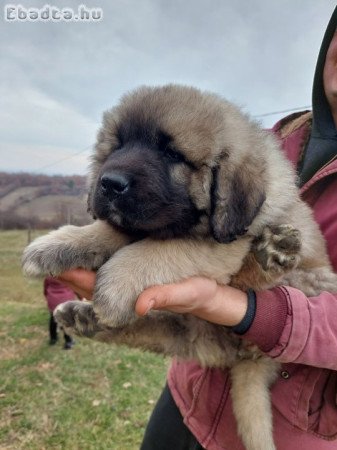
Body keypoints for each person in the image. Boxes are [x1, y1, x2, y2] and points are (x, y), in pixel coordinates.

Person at [58, 8, 337, 449]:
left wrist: (252, 311)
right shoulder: (260, 138)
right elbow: (185, 224)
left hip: (297, 424)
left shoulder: (239, 158)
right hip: (190, 395)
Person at [44, 276, 77, 349]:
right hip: (65, 300)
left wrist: (47, 296)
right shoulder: (68, 275)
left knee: (53, 319)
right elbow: (75, 287)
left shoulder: (48, 276)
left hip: (53, 300)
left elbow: (45, 287)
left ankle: (53, 339)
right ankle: (68, 341)